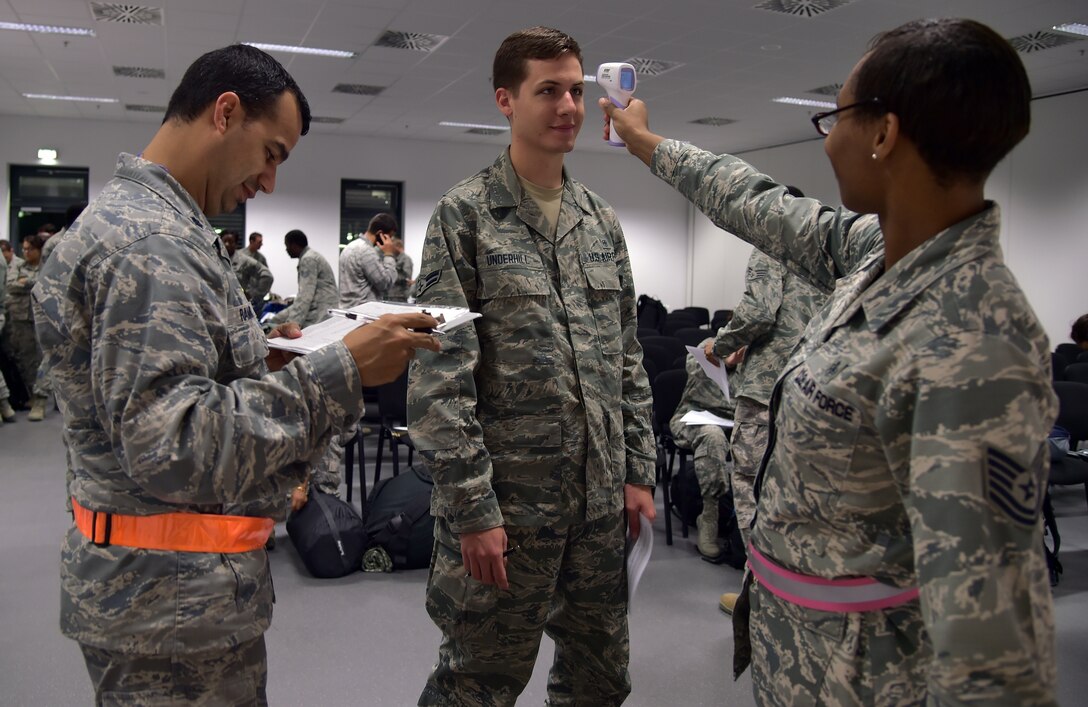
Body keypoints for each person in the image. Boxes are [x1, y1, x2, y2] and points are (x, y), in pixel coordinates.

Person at [603, 17, 1057, 705]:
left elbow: (994, 645)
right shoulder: (880, 252)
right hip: (802, 641)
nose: (829, 140)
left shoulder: (972, 338)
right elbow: (759, 205)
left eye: (834, 117)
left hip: (866, 672)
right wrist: (645, 143)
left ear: (885, 133)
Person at [32, 44, 439, 705]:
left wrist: (263, 357)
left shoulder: (145, 226)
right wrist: (344, 371)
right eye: (272, 153)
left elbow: (154, 398)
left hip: (162, 598)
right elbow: (173, 445)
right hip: (172, 611)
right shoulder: (152, 245)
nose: (269, 181)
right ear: (225, 112)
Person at [408, 27, 656, 706]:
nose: (570, 105)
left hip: (598, 511)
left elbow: (626, 359)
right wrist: (472, 508)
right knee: (475, 686)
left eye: (577, 89)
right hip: (508, 514)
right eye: (549, 90)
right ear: (505, 100)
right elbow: (439, 382)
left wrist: (639, 470)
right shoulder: (466, 217)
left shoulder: (599, 222)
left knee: (600, 682)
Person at [704, 246, 827, 612]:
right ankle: (789, 597)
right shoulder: (823, 252)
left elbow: (759, 311)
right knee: (796, 496)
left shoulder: (772, 247)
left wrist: (720, 344)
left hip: (766, 391)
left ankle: (758, 597)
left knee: (751, 488)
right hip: (813, 388)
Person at [668, 337, 736, 559]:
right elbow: (694, 363)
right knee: (712, 436)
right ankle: (709, 516)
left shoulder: (760, 354)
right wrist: (727, 358)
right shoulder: (712, 344)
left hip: (738, 421)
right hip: (696, 417)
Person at [266, 229, 338, 328]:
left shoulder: (308, 259)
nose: (286, 250)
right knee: (276, 319)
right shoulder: (312, 256)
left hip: (320, 314)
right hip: (323, 310)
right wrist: (278, 319)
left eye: (287, 246)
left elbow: (305, 297)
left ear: (294, 245)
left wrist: (291, 323)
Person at [3, 235, 43, 410]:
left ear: (39, 250)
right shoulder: (18, 265)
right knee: (25, 358)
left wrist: (26, 281)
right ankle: (29, 394)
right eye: (24, 248)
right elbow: (10, 285)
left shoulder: (46, 266)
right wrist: (32, 284)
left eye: (30, 249)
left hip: (41, 318)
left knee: (42, 358)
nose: (26, 252)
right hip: (20, 318)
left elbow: (45, 284)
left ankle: (41, 394)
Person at [339, 212, 398, 307]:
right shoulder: (367, 252)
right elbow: (385, 283)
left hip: (348, 308)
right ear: (380, 234)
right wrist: (389, 254)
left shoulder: (350, 247)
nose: (389, 242)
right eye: (389, 237)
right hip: (363, 311)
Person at [221, 229, 274, 308]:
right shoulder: (214, 258)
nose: (227, 244)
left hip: (238, 305)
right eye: (224, 241)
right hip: (220, 303)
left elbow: (267, 276)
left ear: (235, 244)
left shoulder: (245, 260)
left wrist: (253, 295)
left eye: (230, 242)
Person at [386, 236, 415, 301]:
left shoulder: (406, 259)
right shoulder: (394, 258)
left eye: (392, 247)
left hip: (400, 295)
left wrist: (392, 276)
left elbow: (407, 276)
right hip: (392, 293)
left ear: (398, 247)